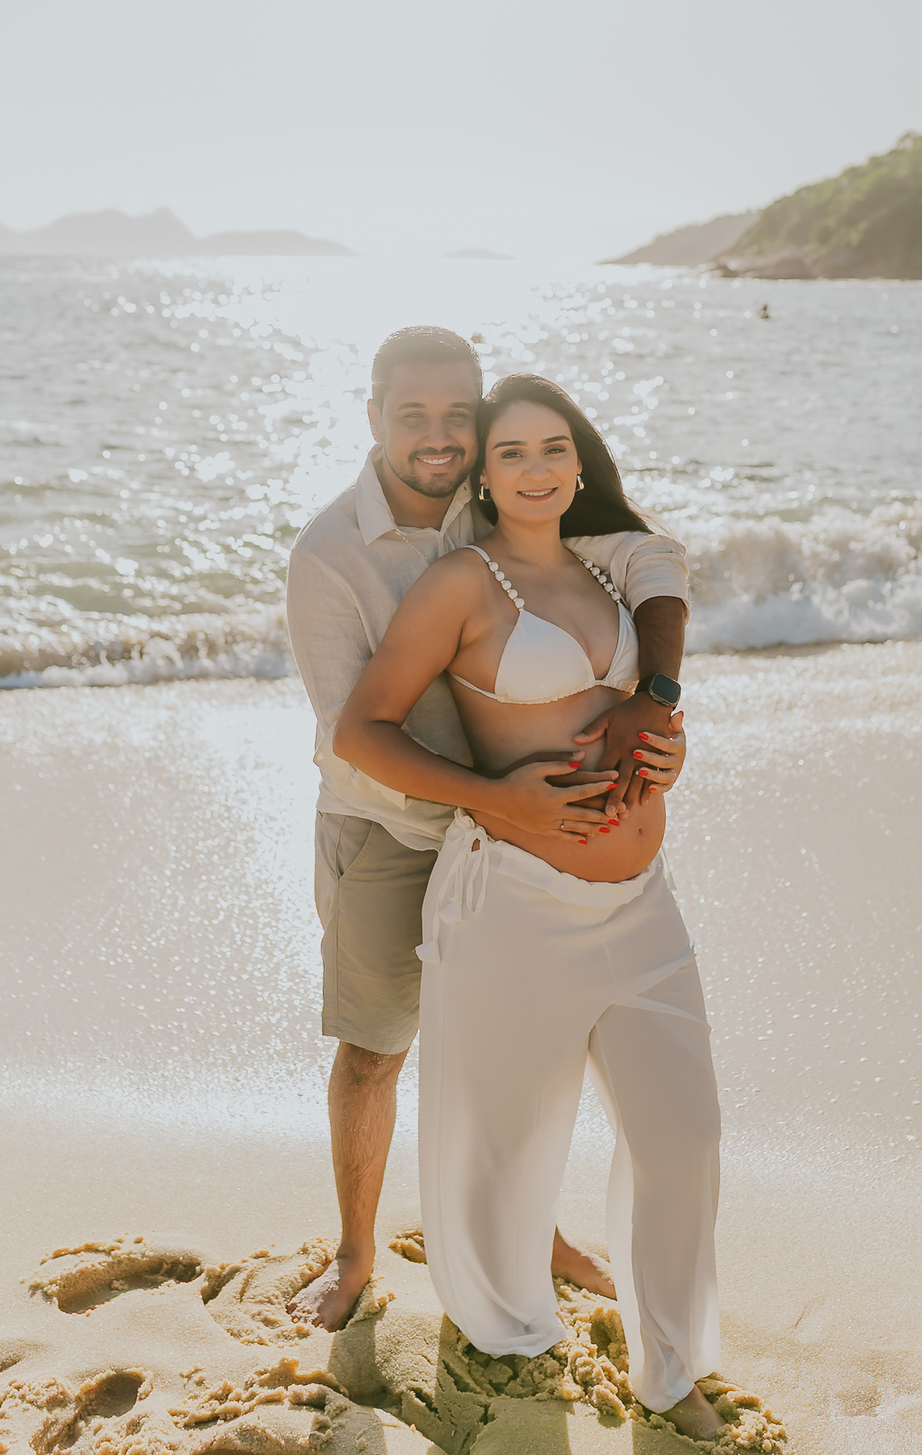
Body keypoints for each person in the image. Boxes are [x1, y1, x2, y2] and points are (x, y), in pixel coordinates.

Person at [333, 372, 723, 1442]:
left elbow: (649, 655)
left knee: (684, 1137)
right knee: (506, 1154)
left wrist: (667, 734)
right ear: (487, 475)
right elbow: (363, 730)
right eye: (512, 453)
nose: (537, 468)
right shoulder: (464, 582)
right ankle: (507, 1343)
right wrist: (494, 796)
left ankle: (672, 1366)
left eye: (554, 448)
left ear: (580, 461)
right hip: (516, 906)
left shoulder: (611, 570)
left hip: (644, 907)